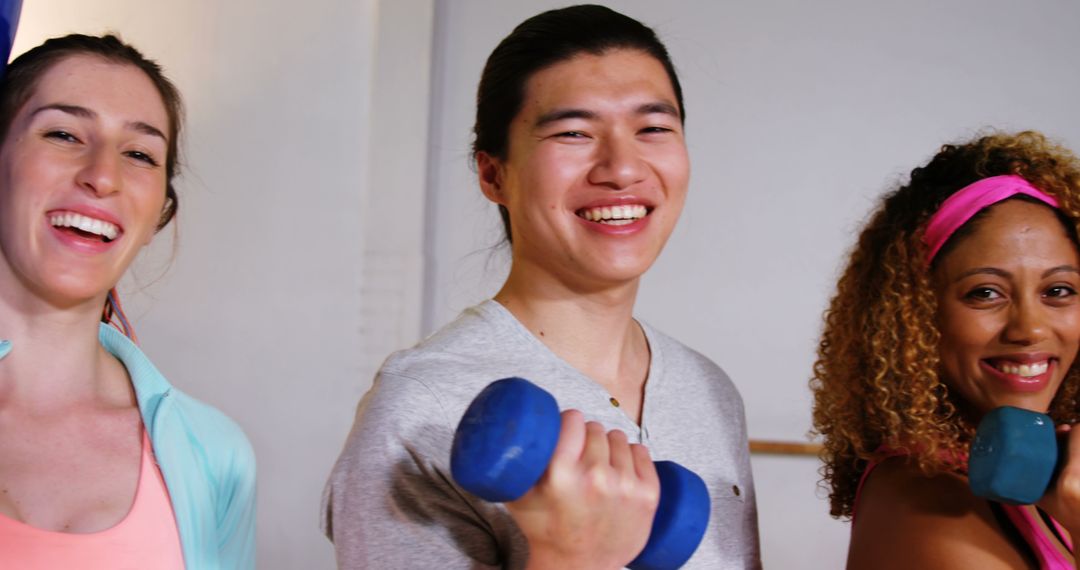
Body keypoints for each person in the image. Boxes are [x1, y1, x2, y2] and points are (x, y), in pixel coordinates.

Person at [322, 5, 760, 569]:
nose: (622, 167)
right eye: (574, 132)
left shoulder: (709, 390)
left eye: (653, 128)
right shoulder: (422, 407)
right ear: (493, 174)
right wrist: (569, 556)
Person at [0, 34, 256, 568]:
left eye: (139, 153)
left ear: (157, 213)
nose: (102, 176)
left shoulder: (217, 456)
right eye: (64, 133)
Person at [811, 130, 1080, 568]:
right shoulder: (922, 501)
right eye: (986, 293)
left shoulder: (1052, 479)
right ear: (915, 315)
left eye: (1059, 289)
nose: (1030, 328)